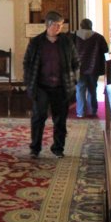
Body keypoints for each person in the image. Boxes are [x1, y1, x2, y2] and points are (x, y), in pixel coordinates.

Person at [23, 11, 79, 159]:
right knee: (38, 117)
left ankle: (58, 148)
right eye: (55, 25)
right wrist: (29, 83)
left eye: (60, 25)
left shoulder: (67, 42)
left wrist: (74, 80)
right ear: (47, 25)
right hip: (41, 86)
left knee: (60, 119)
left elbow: (75, 62)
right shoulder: (36, 43)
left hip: (61, 87)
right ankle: (35, 148)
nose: (58, 28)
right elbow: (27, 64)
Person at [74, 18, 109, 118]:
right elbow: (105, 50)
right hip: (93, 67)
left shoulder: (74, 36)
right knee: (92, 89)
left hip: (78, 68)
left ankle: (80, 112)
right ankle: (92, 111)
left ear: (81, 25)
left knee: (80, 89)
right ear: (91, 25)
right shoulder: (98, 37)